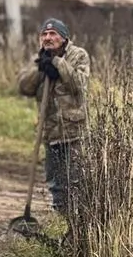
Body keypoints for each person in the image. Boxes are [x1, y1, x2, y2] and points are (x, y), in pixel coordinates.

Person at [17, 18, 91, 216]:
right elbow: (24, 87)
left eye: (53, 34)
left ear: (64, 37)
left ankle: (79, 222)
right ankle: (61, 220)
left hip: (74, 131)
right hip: (50, 132)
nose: (48, 38)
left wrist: (58, 63)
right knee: (55, 183)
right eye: (45, 34)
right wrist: (39, 69)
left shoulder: (78, 55)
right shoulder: (38, 59)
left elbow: (79, 85)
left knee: (75, 180)